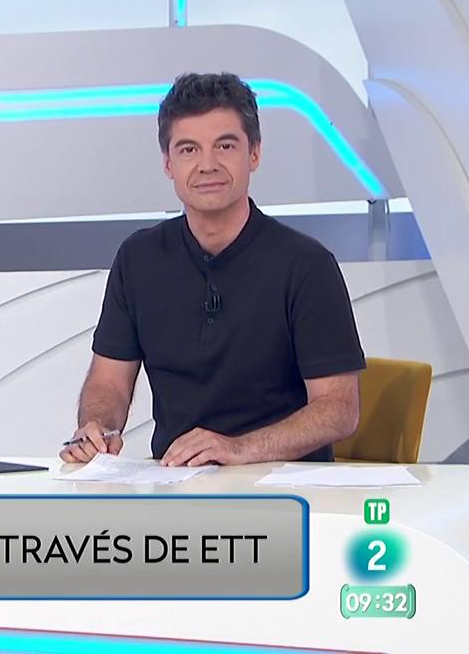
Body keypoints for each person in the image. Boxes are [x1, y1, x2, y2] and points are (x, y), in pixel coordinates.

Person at [61, 73, 364, 467]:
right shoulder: (138, 259)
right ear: (168, 164)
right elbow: (109, 381)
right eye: (188, 149)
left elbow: (339, 408)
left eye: (225, 145)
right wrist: (97, 427)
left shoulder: (307, 264)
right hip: (176, 484)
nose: (207, 165)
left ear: (254, 154)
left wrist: (240, 449)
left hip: (282, 486)